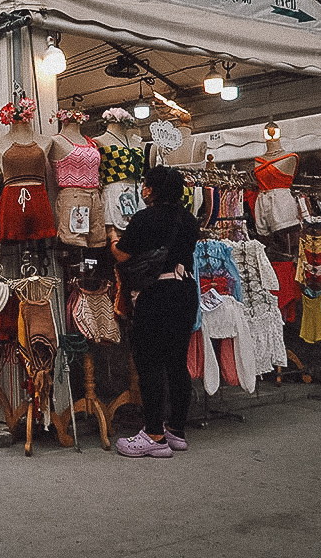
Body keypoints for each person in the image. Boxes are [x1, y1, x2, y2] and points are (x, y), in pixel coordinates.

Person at [111, 165, 200, 458]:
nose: (143, 189)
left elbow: (123, 254)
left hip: (157, 294)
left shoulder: (144, 218)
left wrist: (113, 239)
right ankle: (176, 430)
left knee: (149, 364)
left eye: (147, 185)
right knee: (176, 362)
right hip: (185, 292)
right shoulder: (188, 220)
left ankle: (153, 435)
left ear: (154, 189)